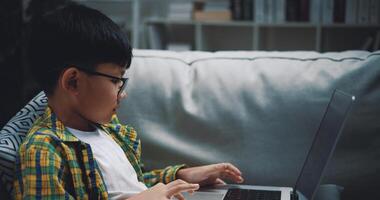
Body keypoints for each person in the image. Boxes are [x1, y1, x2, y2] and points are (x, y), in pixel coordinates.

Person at [14, 3, 244, 200]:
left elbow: (133, 184)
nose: (122, 93)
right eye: (116, 81)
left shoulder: (111, 132)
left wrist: (180, 175)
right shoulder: (44, 150)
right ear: (73, 82)